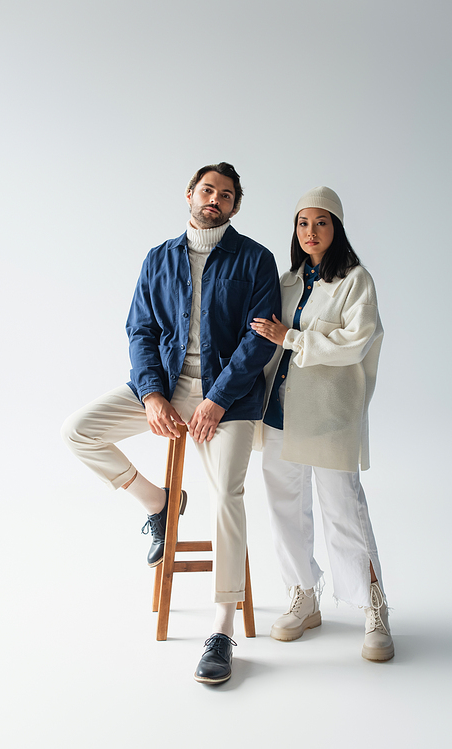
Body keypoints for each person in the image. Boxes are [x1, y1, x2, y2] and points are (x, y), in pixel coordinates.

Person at [62, 162, 281, 683]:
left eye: (226, 195)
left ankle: (221, 628)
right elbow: (140, 330)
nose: (215, 199)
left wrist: (217, 400)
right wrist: (154, 395)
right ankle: (160, 503)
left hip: (227, 400)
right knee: (78, 430)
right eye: (208, 190)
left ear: (234, 206)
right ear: (189, 194)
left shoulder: (255, 259)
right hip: (165, 388)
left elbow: (258, 342)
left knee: (227, 492)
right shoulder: (158, 258)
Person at [250, 186, 394, 661]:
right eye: (302, 223)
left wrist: (295, 337)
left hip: (329, 415)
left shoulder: (356, 280)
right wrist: (312, 337)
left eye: (321, 222)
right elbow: (268, 342)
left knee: (343, 509)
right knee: (283, 508)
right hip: (279, 411)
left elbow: (357, 342)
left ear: (337, 227)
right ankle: (303, 594)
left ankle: (374, 606)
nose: (311, 232)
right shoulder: (287, 281)